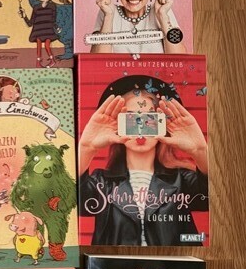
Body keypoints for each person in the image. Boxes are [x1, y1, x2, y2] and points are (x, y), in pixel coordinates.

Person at [78, 76, 208, 246]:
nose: (140, 129)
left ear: (163, 124)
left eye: (150, 118)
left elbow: (218, 200)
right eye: (130, 119)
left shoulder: (182, 180)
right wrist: (86, 148)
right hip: (114, 263)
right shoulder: (100, 183)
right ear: (117, 124)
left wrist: (200, 151)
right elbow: (63, 203)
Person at [19, 0, 70, 68]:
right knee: (38, 46)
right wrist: (24, 16)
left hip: (48, 30)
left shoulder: (52, 6)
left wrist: (57, 28)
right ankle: (38, 62)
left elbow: (54, 19)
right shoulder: (36, 7)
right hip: (38, 31)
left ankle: (52, 60)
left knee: (47, 45)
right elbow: (30, 23)